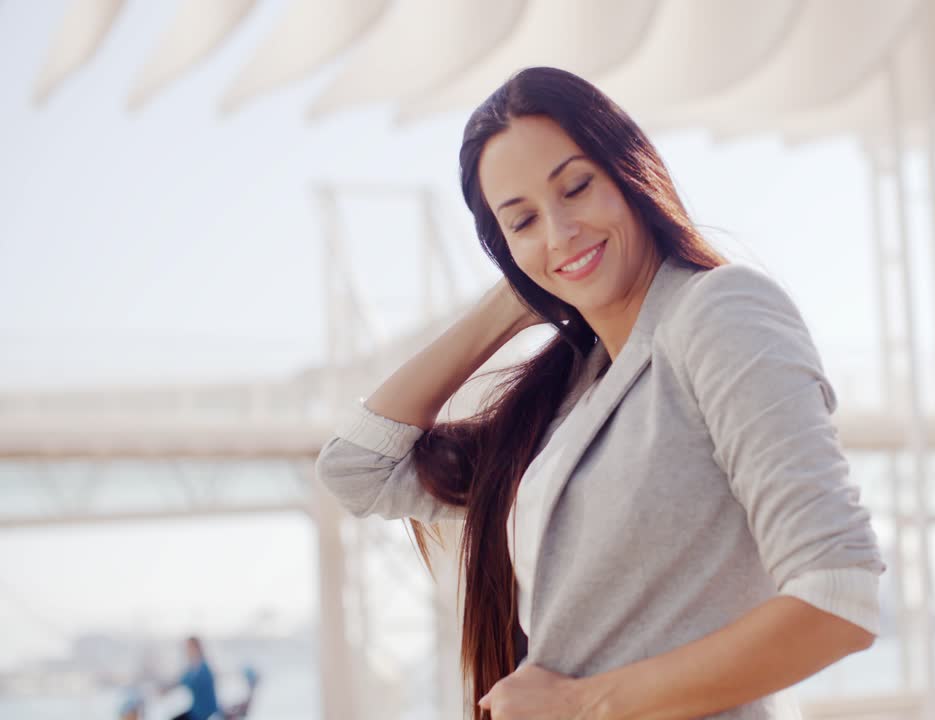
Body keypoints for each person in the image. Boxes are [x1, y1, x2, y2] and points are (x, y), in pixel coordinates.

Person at [315, 66, 885, 720]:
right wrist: (510, 303)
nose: (560, 233)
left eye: (577, 187)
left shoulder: (718, 311)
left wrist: (584, 704)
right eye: (522, 221)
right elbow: (357, 470)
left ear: (629, 171)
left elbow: (838, 595)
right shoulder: (567, 396)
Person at [158, 636, 220, 720]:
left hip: (206, 713)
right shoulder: (192, 669)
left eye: (188, 647)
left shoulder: (203, 668)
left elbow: (190, 681)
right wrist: (166, 688)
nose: (187, 651)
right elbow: (181, 680)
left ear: (196, 648)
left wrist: (168, 688)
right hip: (196, 711)